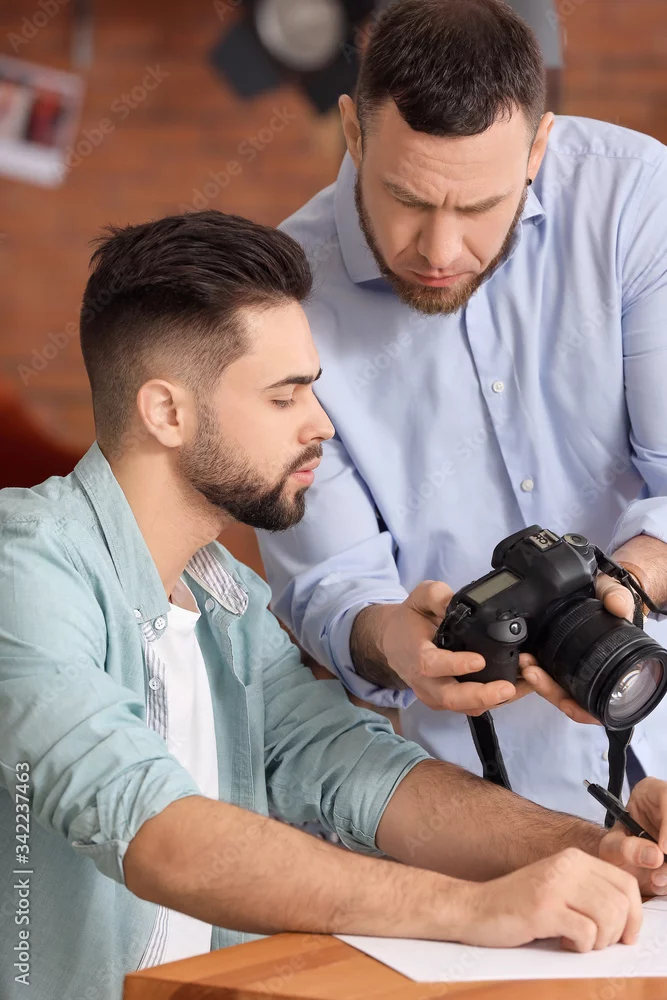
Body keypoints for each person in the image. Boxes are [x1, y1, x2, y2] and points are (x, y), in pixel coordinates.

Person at [1, 212, 667, 1000]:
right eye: (284, 397)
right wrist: (471, 910)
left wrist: (602, 849)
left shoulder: (229, 601)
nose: (320, 424)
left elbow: (359, 772)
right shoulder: (25, 567)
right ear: (167, 412)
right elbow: (156, 832)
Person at [256, 0, 667, 819]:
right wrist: (393, 641)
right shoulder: (281, 302)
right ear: (353, 132)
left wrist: (629, 580)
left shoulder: (634, 198)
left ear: (537, 147)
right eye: (406, 199)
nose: (439, 252)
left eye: (478, 208)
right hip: (487, 808)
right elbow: (331, 586)